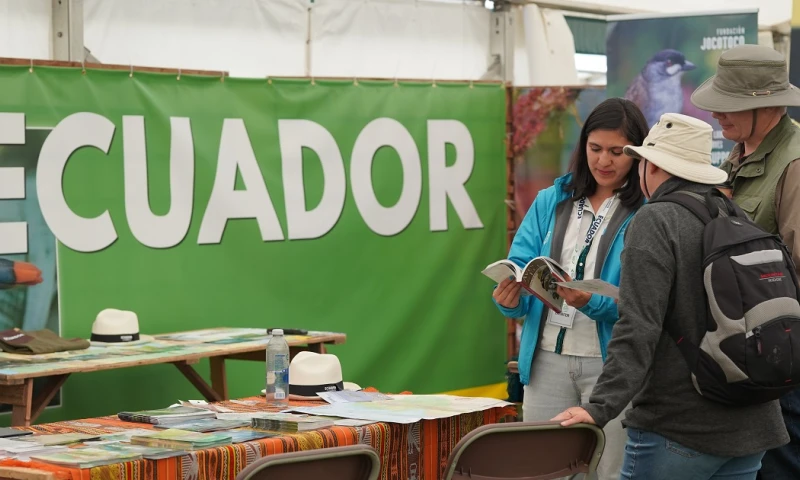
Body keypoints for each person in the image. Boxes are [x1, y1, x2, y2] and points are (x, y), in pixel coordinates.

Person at [552, 113, 788, 480]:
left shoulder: (656, 220)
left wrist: (599, 408)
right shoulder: (734, 212)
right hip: (752, 424)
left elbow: (637, 326)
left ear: (653, 167)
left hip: (680, 429)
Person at [492, 97, 648, 480]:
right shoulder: (552, 199)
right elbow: (521, 265)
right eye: (595, 149)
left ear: (638, 154)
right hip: (546, 361)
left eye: (617, 152)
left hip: (611, 364)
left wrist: (595, 303)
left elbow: (649, 300)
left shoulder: (647, 209)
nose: (604, 161)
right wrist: (510, 301)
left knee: (612, 471)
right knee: (545, 469)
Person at [690, 44, 800, 479]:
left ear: (767, 106)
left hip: (781, 356)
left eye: (729, 106)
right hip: (747, 350)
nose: (718, 115)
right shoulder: (739, 157)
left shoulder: (793, 164)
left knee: (780, 466)